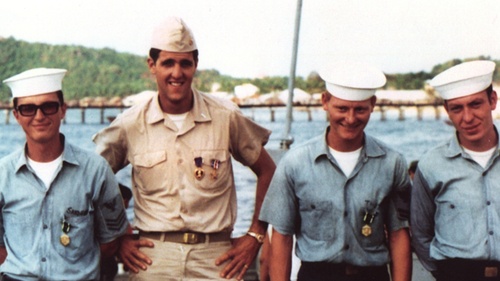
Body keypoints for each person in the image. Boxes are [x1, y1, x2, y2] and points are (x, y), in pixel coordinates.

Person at [92, 17, 276, 281]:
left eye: (185, 63)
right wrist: (118, 237)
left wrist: (255, 235)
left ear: (195, 65)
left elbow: (268, 171)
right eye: (168, 63)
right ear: (152, 65)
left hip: (216, 259)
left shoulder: (225, 117)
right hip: (152, 258)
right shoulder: (130, 124)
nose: (176, 73)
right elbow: (91, 179)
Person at [259, 61, 412, 281]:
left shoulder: (392, 163)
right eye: (342, 108)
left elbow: (399, 235)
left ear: (373, 104)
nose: (350, 119)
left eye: (360, 109)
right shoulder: (295, 163)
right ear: (325, 101)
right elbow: (282, 236)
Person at [0, 68, 129, 280]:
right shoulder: (3, 175)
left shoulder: (95, 171)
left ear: (63, 110)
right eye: (28, 109)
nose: (39, 116)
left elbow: (110, 242)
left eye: (48, 106)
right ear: (16, 115)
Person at [411, 60, 500, 281]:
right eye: (457, 108)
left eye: (475, 104)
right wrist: (444, 274)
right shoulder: (432, 165)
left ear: (493, 101)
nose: (467, 117)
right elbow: (420, 232)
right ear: (447, 111)